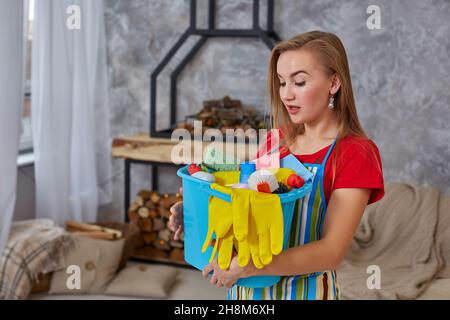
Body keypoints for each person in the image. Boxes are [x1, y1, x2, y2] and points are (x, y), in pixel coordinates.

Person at [168, 30, 384, 300]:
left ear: (334, 83)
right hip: (247, 295)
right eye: (282, 82)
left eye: (300, 82)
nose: (286, 95)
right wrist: (193, 211)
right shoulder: (275, 140)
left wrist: (248, 266)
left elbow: (330, 252)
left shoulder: (355, 153)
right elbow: (244, 204)